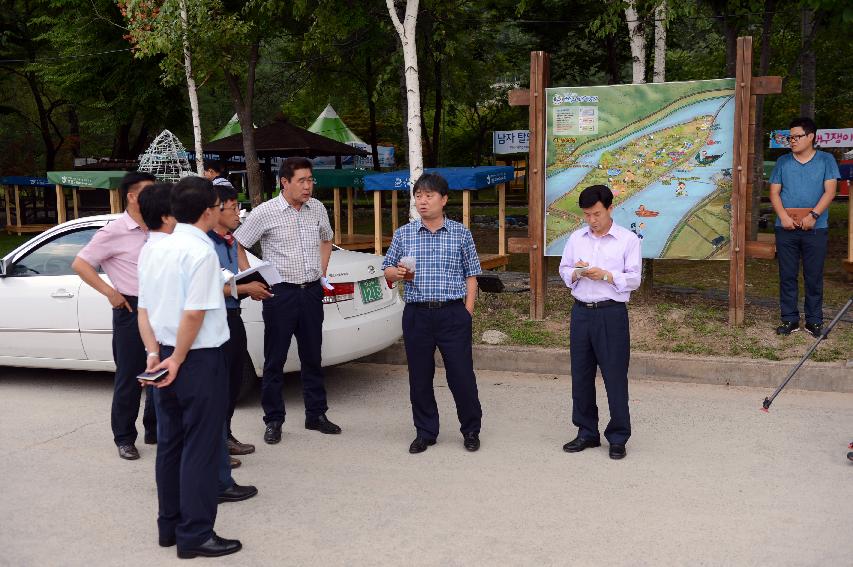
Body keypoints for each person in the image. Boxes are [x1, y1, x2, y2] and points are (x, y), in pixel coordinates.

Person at [137, 176, 241, 559]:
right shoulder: (200, 252)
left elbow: (145, 309)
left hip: (162, 351)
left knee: (170, 443)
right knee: (199, 445)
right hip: (194, 358)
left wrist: (154, 355)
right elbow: (194, 312)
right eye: (218, 205)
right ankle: (195, 533)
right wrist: (178, 359)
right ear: (208, 211)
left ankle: (170, 525)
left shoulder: (155, 247)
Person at [234, 157, 341, 444]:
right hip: (280, 293)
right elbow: (238, 241)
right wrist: (249, 278)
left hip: (311, 292)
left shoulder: (316, 208)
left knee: (312, 356)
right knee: (275, 359)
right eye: (302, 181)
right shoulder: (266, 212)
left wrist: (322, 270)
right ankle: (274, 419)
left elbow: (327, 238)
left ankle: (316, 414)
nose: (308, 186)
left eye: (311, 180)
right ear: (285, 182)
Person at [382, 173, 483, 454]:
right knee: (420, 376)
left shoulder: (461, 233)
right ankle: (425, 432)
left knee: (461, 375)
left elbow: (472, 275)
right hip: (417, 314)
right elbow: (387, 269)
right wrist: (397, 273)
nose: (422, 201)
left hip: (452, 314)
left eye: (429, 196)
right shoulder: (404, 233)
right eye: (418, 196)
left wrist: (467, 312)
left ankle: (471, 429)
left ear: (444, 199)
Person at [72, 171, 157, 460]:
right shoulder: (114, 230)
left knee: (160, 369)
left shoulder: (159, 227)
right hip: (131, 309)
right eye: (148, 191)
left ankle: (154, 428)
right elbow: (81, 263)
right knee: (130, 376)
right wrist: (110, 292)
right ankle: (124, 437)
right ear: (132, 196)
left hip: (159, 307)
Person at [558, 184, 641, 460]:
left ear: (610, 208)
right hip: (581, 312)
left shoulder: (628, 240)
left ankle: (618, 436)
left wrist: (606, 275)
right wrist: (577, 273)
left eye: (596, 214)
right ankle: (586, 432)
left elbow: (634, 278)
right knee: (580, 375)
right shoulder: (576, 238)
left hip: (611, 314)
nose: (591, 221)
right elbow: (564, 269)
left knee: (614, 376)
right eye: (586, 215)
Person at [209, 182, 271, 465]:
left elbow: (234, 280)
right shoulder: (205, 245)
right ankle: (215, 444)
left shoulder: (231, 242)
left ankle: (226, 434)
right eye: (233, 208)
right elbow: (205, 289)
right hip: (212, 321)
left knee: (234, 381)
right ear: (215, 210)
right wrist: (245, 289)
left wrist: (252, 287)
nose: (238, 214)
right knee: (217, 385)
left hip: (234, 317)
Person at [769, 117, 839, 338]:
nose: (792, 141)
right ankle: (789, 319)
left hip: (816, 229)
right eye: (790, 137)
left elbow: (830, 191)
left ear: (811, 137)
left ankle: (814, 321)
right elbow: (774, 193)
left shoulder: (826, 160)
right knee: (787, 275)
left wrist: (814, 216)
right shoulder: (782, 162)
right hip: (786, 229)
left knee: (814, 276)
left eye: (797, 137)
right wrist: (783, 217)